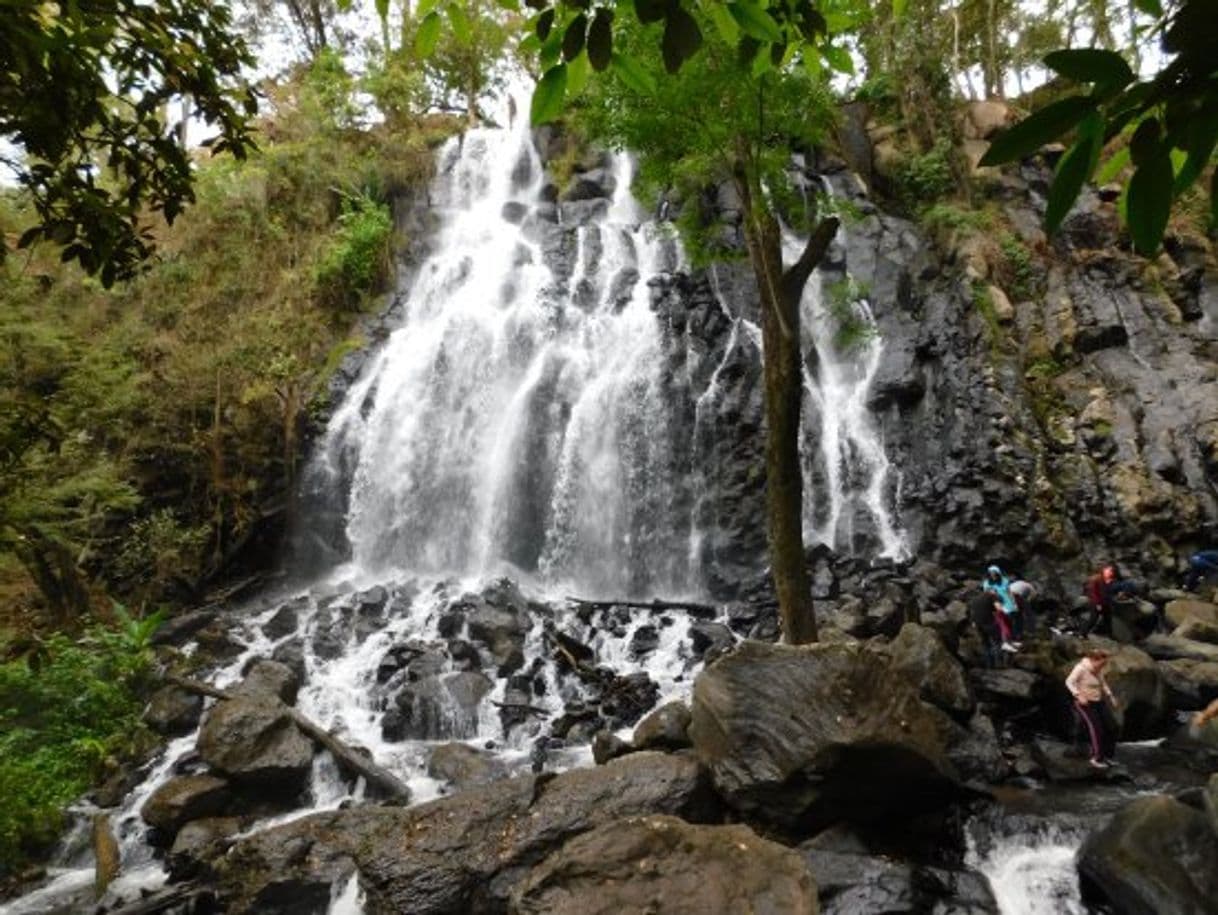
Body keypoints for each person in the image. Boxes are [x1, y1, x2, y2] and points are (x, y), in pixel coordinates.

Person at [1066, 649, 1121, 768]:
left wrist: (1111, 696)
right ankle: (1096, 759)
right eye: (1101, 664)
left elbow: (1103, 683)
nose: (1102, 666)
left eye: (1104, 664)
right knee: (1097, 729)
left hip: (1098, 701)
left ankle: (1108, 756)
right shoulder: (1080, 668)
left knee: (1113, 726)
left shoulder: (1098, 670)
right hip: (1084, 703)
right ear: (1093, 660)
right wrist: (1078, 695)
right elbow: (1069, 682)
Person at [982, 565, 1021, 650]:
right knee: (1002, 624)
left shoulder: (1004, 581)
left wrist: (1014, 604)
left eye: (995, 573)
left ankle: (1010, 640)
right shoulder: (986, 583)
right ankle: (1005, 642)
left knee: (1010, 623)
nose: (993, 575)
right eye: (991, 573)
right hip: (997, 605)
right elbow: (986, 595)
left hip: (1008, 604)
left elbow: (1009, 592)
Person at [968, 589, 1004, 667]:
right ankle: (999, 663)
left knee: (986, 644)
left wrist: (973, 622)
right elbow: (999, 609)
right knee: (997, 641)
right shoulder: (992, 597)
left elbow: (971, 612)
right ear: (992, 592)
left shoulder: (974, 599)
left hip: (978, 624)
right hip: (989, 623)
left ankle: (990, 664)